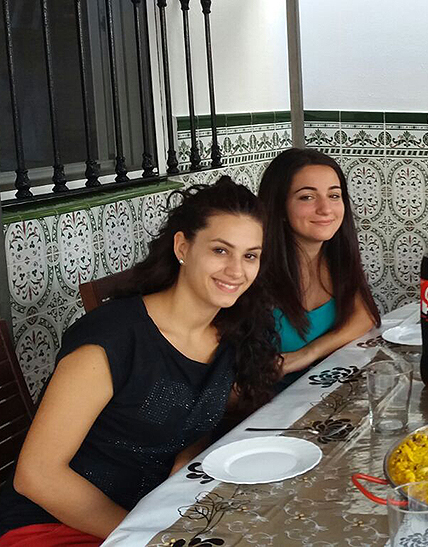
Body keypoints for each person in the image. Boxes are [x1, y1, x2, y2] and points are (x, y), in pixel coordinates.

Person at [0, 177, 281, 544]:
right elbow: (36, 475)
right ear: (183, 247)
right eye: (220, 250)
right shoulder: (113, 339)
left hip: (152, 512)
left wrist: (188, 454)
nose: (236, 271)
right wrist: (149, 534)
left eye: (250, 255)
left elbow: (191, 413)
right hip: (56, 524)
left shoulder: (228, 331)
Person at [258, 149, 380, 381]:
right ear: (280, 207)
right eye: (307, 197)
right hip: (267, 408)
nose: (325, 209)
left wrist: (306, 354)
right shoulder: (255, 268)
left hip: (326, 398)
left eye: (334, 196)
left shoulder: (336, 258)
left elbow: (365, 316)